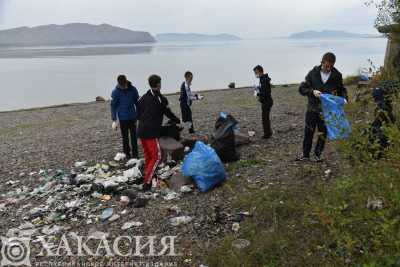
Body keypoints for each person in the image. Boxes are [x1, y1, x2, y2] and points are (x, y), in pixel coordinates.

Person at [298, 52, 348, 162]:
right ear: (322, 62)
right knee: (308, 132)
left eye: (331, 66)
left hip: (327, 111)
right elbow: (302, 88)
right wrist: (312, 92)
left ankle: (317, 155)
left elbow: (341, 90)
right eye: (327, 65)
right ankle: (305, 155)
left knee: (323, 133)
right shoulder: (313, 73)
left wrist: (344, 98)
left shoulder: (337, 75)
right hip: (312, 108)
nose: (329, 68)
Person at [137, 74, 181, 191]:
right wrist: (177, 120)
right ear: (158, 84)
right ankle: (147, 183)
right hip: (150, 132)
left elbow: (138, 112)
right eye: (160, 83)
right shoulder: (161, 99)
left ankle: (149, 176)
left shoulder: (143, 97)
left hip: (141, 130)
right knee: (157, 157)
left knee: (148, 156)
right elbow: (167, 112)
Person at [111, 75, 140, 159]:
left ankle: (135, 154)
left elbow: (137, 103)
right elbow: (113, 106)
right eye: (121, 85)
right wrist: (114, 119)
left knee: (134, 136)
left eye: (123, 84)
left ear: (126, 82)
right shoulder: (115, 92)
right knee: (125, 137)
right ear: (118, 83)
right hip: (123, 118)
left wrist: (139, 115)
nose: (122, 86)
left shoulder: (133, 89)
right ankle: (127, 153)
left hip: (132, 117)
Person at [253, 65, 273, 139]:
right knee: (265, 118)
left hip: (267, 102)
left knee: (265, 118)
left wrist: (257, 92)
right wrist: (258, 88)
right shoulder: (262, 79)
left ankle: (267, 134)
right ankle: (268, 132)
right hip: (266, 101)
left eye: (256, 73)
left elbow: (266, 92)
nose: (255, 74)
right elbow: (264, 89)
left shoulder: (264, 79)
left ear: (260, 71)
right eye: (255, 73)